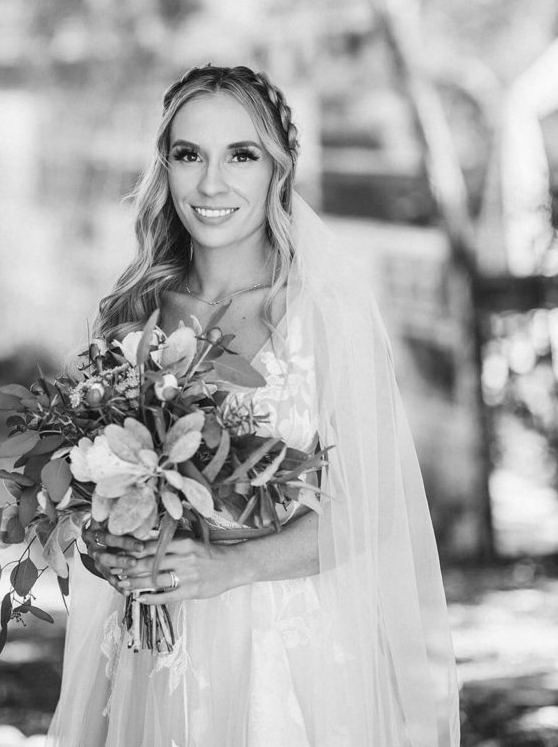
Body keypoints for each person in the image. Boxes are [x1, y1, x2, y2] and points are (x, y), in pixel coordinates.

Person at [46, 65, 460, 747]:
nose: (211, 184)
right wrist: (109, 548)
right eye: (189, 155)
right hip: (159, 651)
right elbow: (93, 496)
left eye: (241, 154)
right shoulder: (133, 316)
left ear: (279, 169)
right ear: (165, 167)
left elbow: (372, 509)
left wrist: (231, 567)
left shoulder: (323, 315)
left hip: (288, 655)